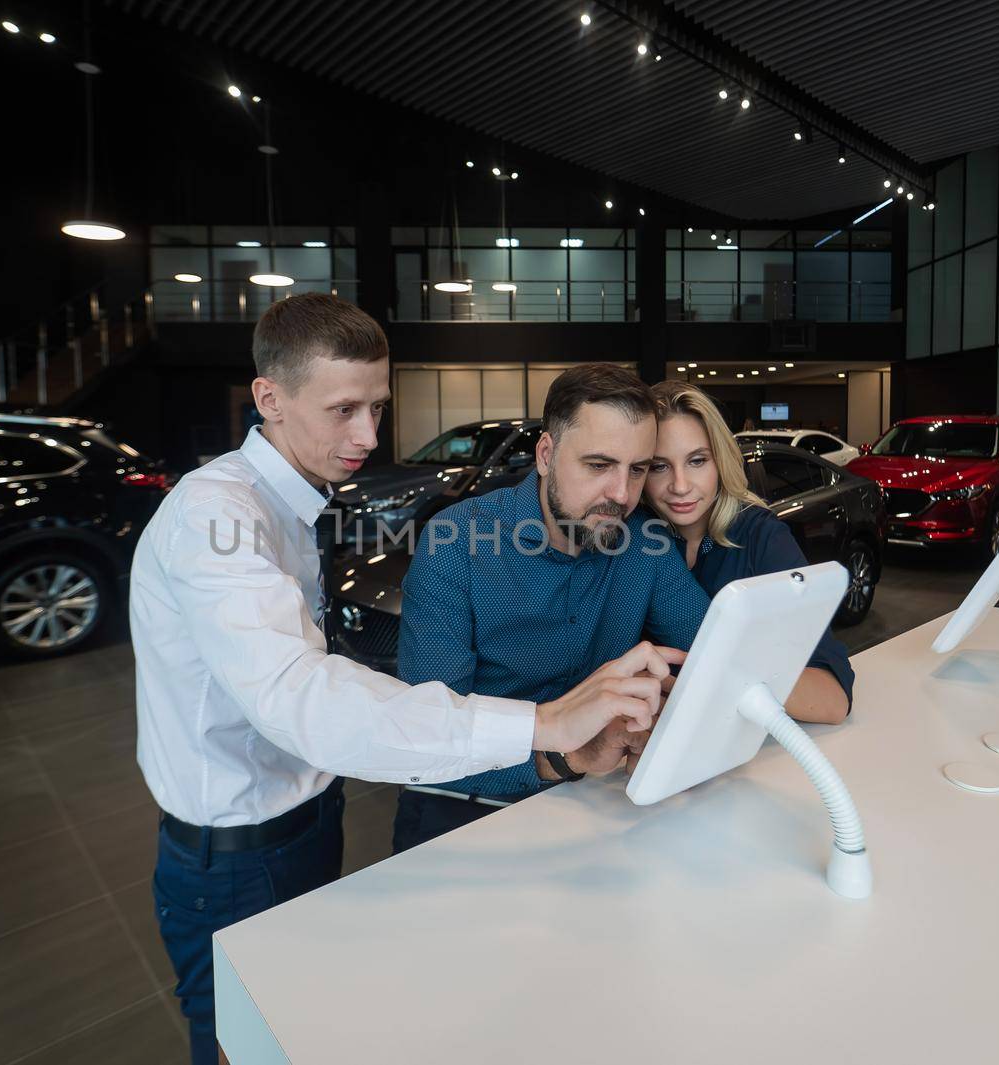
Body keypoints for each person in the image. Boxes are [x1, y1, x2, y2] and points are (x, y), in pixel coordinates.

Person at [131, 294, 675, 1065]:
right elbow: (303, 700)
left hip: (310, 820)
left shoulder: (291, 502)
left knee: (305, 1025)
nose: (369, 436)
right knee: (239, 1043)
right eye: (344, 408)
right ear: (269, 398)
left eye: (378, 408)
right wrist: (544, 725)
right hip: (231, 855)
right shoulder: (213, 519)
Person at [391, 363, 712, 853]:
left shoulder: (644, 542)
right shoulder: (455, 546)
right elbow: (432, 740)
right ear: (546, 454)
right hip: (464, 812)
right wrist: (570, 755)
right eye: (599, 465)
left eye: (638, 469)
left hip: (596, 807)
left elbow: (712, 652)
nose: (622, 495)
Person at [644, 380, 854, 724]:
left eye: (697, 461)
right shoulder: (633, 541)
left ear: (720, 461)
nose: (680, 486)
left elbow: (832, 700)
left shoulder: (762, 539)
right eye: (659, 466)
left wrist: (721, 676)